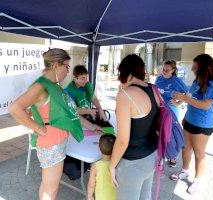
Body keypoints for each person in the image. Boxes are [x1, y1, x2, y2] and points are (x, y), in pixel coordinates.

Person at [8, 48, 96, 200]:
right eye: (66, 66)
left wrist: (92, 126)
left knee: (50, 185)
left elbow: (69, 112)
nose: (68, 71)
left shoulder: (53, 85)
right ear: (56, 65)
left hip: (57, 141)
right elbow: (14, 108)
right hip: (51, 143)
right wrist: (37, 127)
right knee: (51, 188)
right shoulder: (41, 86)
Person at [109, 54, 160, 200]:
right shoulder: (154, 89)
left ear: (126, 72)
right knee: (145, 196)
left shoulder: (125, 94)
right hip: (152, 155)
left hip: (132, 163)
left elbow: (122, 141)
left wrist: (112, 166)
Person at [171, 54, 213, 194]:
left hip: (202, 125)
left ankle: (197, 180)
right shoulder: (197, 80)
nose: (192, 68)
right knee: (185, 149)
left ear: (203, 67)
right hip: (189, 121)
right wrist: (183, 110)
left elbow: (205, 105)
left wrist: (183, 98)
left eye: (195, 66)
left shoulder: (211, 84)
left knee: (199, 154)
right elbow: (190, 97)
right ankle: (184, 171)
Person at [155, 60, 188, 167]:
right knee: (159, 132)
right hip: (159, 109)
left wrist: (178, 103)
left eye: (167, 70)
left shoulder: (176, 81)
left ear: (173, 70)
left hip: (172, 110)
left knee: (171, 134)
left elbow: (187, 93)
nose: (164, 71)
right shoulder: (159, 79)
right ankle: (161, 154)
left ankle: (173, 157)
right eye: (163, 69)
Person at [87, 134, 116, 200]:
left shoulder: (95, 166)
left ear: (98, 148)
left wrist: (90, 196)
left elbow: (91, 184)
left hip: (101, 197)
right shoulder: (117, 164)